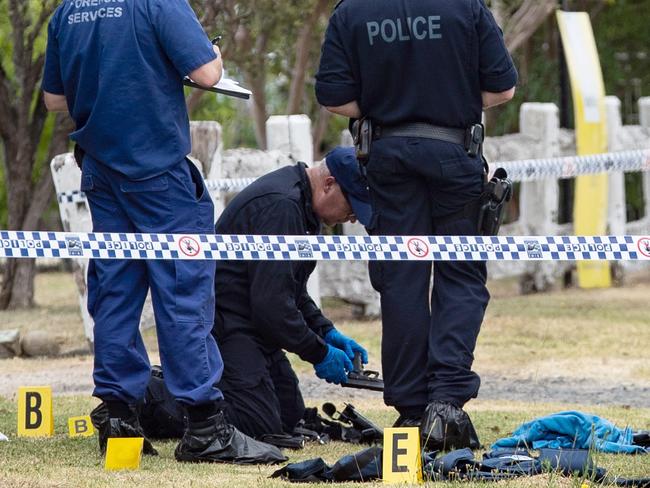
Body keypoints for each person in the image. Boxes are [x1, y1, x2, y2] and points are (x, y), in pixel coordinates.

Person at [42, 0, 283, 464]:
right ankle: (206, 428)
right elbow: (209, 74)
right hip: (157, 171)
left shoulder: (67, 12)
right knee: (183, 289)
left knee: (114, 289)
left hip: (100, 170)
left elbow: (55, 100)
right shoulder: (158, 2)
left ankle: (118, 421)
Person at [315, 0, 518, 450]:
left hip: (387, 157)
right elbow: (502, 89)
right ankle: (445, 406)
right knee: (460, 276)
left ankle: (409, 410)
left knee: (402, 279)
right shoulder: (466, 8)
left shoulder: (352, 12)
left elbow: (334, 98)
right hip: (454, 152)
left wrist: (388, 107)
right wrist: (451, 98)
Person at [213, 146, 371, 439]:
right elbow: (271, 305)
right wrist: (319, 352)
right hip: (227, 326)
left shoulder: (304, 208)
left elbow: (290, 291)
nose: (352, 218)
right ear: (329, 184)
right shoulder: (282, 208)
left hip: (254, 326)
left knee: (290, 417)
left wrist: (327, 332)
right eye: (352, 205)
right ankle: (164, 397)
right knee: (258, 424)